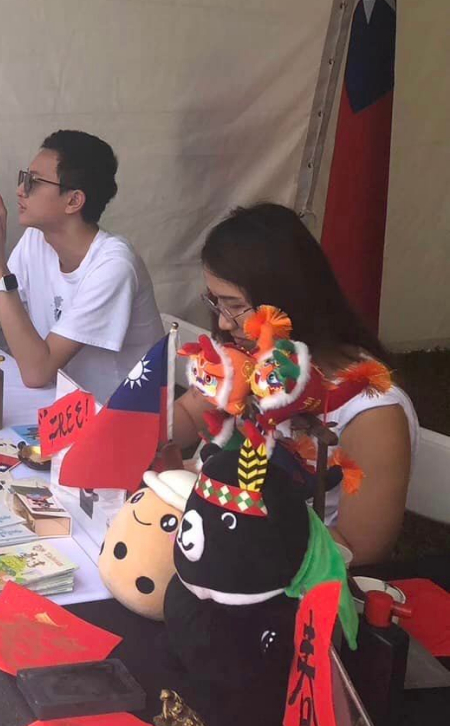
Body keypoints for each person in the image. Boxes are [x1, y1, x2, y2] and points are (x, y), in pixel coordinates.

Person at [172, 203, 417, 565]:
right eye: (216, 301)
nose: (223, 323)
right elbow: (186, 416)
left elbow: (361, 549)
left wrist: (225, 518)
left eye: (234, 305)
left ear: (287, 301)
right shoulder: (248, 356)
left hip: (290, 570)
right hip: (211, 530)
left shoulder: (372, 412)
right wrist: (127, 434)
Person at [0, 129, 163, 404]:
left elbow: (36, 372)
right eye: (24, 178)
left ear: (73, 200)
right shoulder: (36, 240)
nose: (20, 190)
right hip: (60, 404)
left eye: (33, 182)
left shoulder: (113, 266)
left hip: (115, 415)